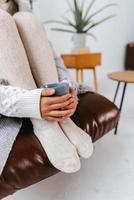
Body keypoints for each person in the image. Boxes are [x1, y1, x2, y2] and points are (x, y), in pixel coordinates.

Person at [0, 9, 93, 174]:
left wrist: (66, 88)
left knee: (26, 18)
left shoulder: (19, 5)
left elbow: (54, 59)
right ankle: (45, 126)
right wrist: (30, 103)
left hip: (44, 88)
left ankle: (61, 117)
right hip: (10, 100)